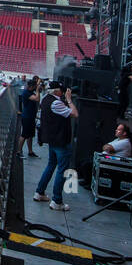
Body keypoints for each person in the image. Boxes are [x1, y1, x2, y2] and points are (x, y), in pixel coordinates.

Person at [32, 81, 78, 212]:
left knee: (51, 165)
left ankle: (39, 192)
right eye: (62, 91)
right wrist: (69, 100)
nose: (63, 93)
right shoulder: (56, 103)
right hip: (61, 140)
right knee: (62, 170)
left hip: (52, 139)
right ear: (57, 91)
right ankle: (57, 200)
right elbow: (75, 114)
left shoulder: (46, 99)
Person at [18, 76, 40, 158]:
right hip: (27, 116)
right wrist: (37, 90)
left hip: (31, 116)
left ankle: (30, 151)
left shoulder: (30, 91)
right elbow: (37, 99)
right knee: (24, 135)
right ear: (31, 87)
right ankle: (19, 151)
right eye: (34, 87)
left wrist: (37, 85)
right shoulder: (26, 93)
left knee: (30, 135)